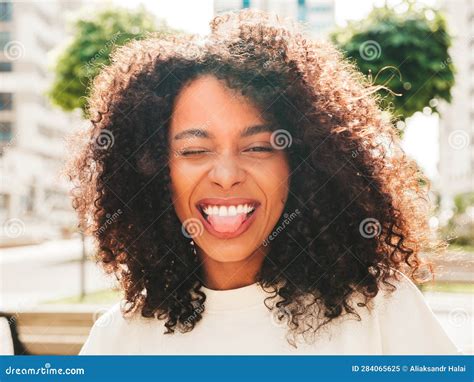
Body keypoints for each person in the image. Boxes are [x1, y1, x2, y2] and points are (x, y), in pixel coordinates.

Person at [73, 9, 460, 355]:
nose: (226, 176)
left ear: (301, 163)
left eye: (258, 147)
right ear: (155, 170)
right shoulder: (120, 343)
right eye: (193, 151)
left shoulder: (381, 311)